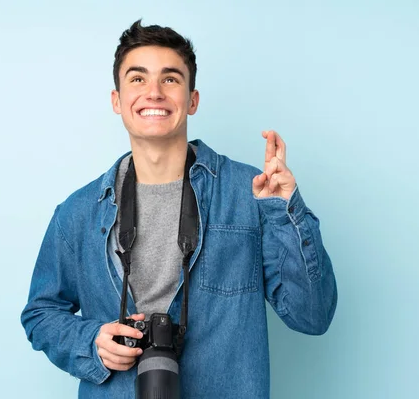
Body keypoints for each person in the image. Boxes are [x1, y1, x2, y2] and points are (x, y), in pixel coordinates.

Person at [21, 20, 337, 398]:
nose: (153, 92)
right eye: (137, 79)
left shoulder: (250, 193)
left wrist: (285, 211)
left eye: (170, 79)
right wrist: (91, 341)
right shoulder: (78, 213)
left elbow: (312, 316)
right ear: (117, 100)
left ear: (192, 100)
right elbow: (40, 314)